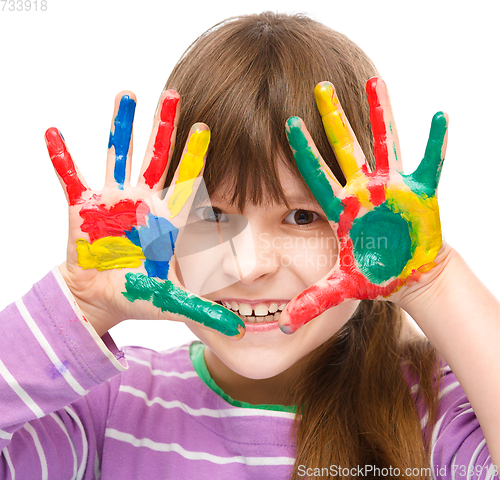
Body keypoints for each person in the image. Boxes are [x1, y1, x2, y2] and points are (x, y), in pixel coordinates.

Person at [1, 11, 499, 480]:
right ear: (158, 228)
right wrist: (81, 305)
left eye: (303, 216)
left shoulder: (438, 413)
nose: (252, 265)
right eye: (213, 215)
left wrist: (433, 281)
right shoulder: (109, 408)